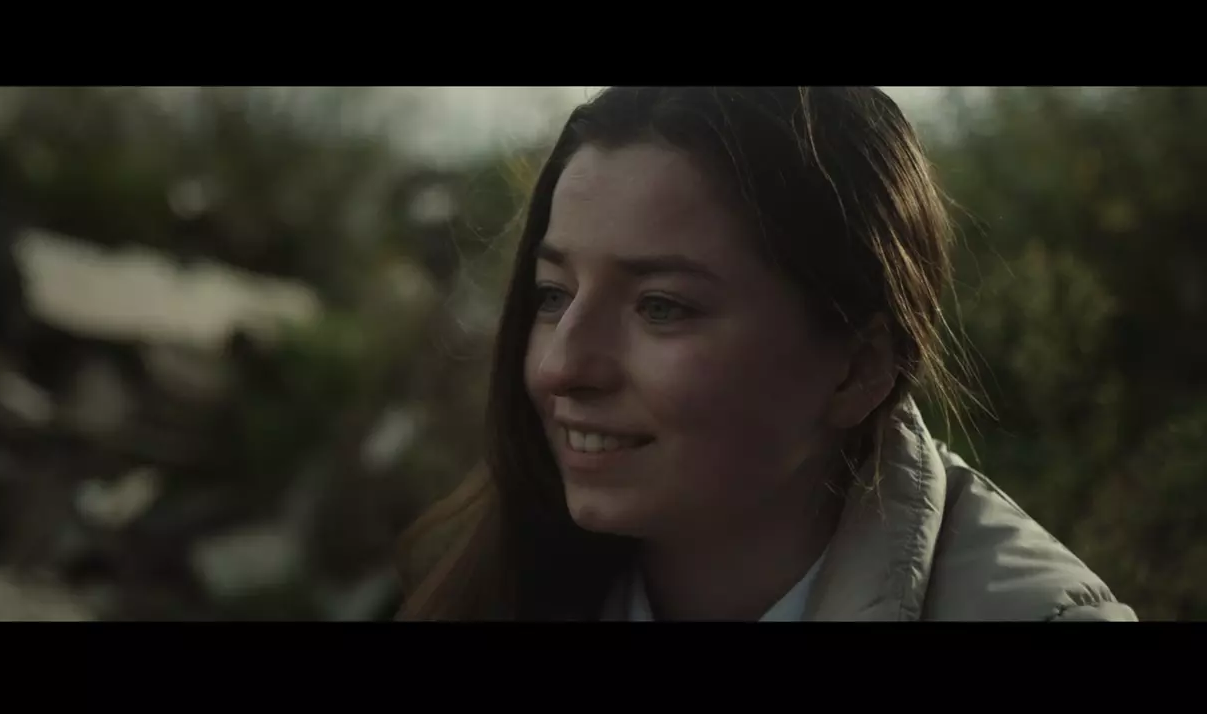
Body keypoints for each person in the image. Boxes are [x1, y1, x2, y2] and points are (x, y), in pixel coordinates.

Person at [393, 86, 1137, 621]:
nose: (562, 366)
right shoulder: (492, 587)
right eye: (553, 295)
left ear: (858, 368)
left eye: (661, 306)